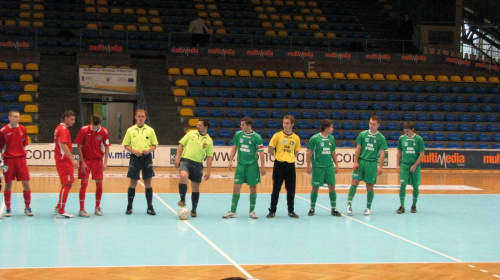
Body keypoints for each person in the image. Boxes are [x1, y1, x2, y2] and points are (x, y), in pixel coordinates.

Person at [222, 117, 266, 219]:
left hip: (252, 166)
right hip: (240, 165)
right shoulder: (238, 134)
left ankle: (252, 211)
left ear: (249, 125)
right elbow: (235, 147)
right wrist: (230, 161)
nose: (240, 126)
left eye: (242, 124)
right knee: (236, 187)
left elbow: (261, 153)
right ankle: (232, 211)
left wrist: (262, 166)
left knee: (253, 188)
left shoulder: (256, 137)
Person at [347, 115, 388, 216]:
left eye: (373, 124)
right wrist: (355, 162)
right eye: (370, 123)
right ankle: (349, 204)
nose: (371, 125)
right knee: (354, 182)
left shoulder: (381, 138)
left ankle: (368, 208)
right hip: (361, 162)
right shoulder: (362, 134)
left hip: (372, 163)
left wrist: (380, 167)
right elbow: (358, 148)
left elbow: (383, 153)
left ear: (378, 125)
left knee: (369, 186)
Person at [122, 109, 158, 215]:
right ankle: (129, 206)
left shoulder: (150, 130)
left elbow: (154, 144)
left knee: (148, 181)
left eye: (142, 116)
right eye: (139, 116)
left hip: (147, 158)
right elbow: (126, 145)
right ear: (135, 117)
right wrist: (133, 150)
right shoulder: (130, 130)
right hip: (135, 157)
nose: (141, 118)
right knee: (133, 182)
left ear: (145, 117)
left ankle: (150, 207)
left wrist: (149, 150)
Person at [175, 119, 214, 217]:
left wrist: (209, 171)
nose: (197, 126)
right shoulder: (191, 133)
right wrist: (177, 158)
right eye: (197, 125)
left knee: (195, 188)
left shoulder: (209, 140)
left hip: (197, 164)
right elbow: (181, 145)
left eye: (200, 125)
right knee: (183, 176)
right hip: (185, 161)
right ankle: (182, 199)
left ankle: (194, 209)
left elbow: (209, 157)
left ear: (206, 127)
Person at [75, 115, 110, 217]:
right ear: (91, 122)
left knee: (99, 184)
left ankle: (97, 207)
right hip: (85, 160)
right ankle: (81, 209)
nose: (94, 128)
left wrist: (105, 162)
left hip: (98, 161)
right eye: (93, 126)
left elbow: (107, 147)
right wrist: (82, 162)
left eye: (96, 126)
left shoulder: (104, 132)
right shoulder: (83, 130)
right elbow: (79, 147)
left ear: (100, 124)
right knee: (84, 183)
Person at [267, 115, 301, 219]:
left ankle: (291, 211)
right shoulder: (277, 136)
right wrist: (278, 157)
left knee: (291, 190)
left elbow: (296, 152)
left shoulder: (296, 138)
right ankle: (272, 210)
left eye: (287, 123)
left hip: (290, 165)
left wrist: (289, 158)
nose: (285, 125)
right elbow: (270, 150)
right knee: (276, 188)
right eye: (284, 123)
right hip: (279, 164)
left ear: (292, 124)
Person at [0, 110, 33, 217]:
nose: (17, 118)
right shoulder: (3, 131)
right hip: (8, 161)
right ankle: (8, 209)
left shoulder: (23, 129)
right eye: (15, 116)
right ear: (9, 117)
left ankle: (27, 207)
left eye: (18, 116)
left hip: (21, 160)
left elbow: (24, 145)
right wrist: (1, 162)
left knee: (26, 183)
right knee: (8, 184)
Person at [306, 119, 341, 217]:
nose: (333, 129)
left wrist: (336, 164)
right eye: (331, 127)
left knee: (332, 187)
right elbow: (309, 152)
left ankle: (334, 209)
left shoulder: (331, 139)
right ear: (326, 128)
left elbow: (333, 152)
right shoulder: (315, 138)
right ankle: (312, 208)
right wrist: (308, 165)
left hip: (329, 167)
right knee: (315, 187)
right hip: (318, 167)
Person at [54, 110, 80, 218]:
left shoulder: (59, 128)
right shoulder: (63, 129)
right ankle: (61, 211)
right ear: (66, 118)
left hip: (61, 159)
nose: (73, 121)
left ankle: (58, 206)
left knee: (66, 184)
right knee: (67, 184)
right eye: (72, 119)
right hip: (64, 160)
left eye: (74, 119)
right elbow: (64, 145)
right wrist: (73, 159)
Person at [396, 121, 425, 214]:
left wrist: (415, 165)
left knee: (415, 186)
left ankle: (414, 205)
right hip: (404, 165)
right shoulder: (402, 138)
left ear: (413, 130)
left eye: (408, 131)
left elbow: (422, 154)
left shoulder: (418, 139)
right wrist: (397, 165)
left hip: (415, 166)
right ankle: (402, 206)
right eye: (405, 131)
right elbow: (399, 152)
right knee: (402, 185)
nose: (406, 133)